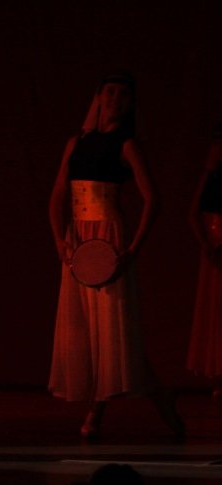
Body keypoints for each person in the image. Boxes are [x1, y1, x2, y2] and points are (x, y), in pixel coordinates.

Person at [47, 72, 184, 439]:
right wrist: (59, 238)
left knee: (111, 330)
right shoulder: (76, 142)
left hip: (108, 240)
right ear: (98, 96)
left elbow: (153, 200)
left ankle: (96, 414)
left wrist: (132, 249)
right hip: (79, 240)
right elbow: (58, 194)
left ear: (130, 102)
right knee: (90, 330)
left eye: (123, 94)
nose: (115, 99)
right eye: (110, 92)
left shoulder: (127, 145)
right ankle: (160, 396)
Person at [186, 122, 222, 398]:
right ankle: (218, 375)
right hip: (213, 247)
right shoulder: (210, 176)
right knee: (215, 309)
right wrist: (206, 245)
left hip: (215, 245)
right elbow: (193, 213)